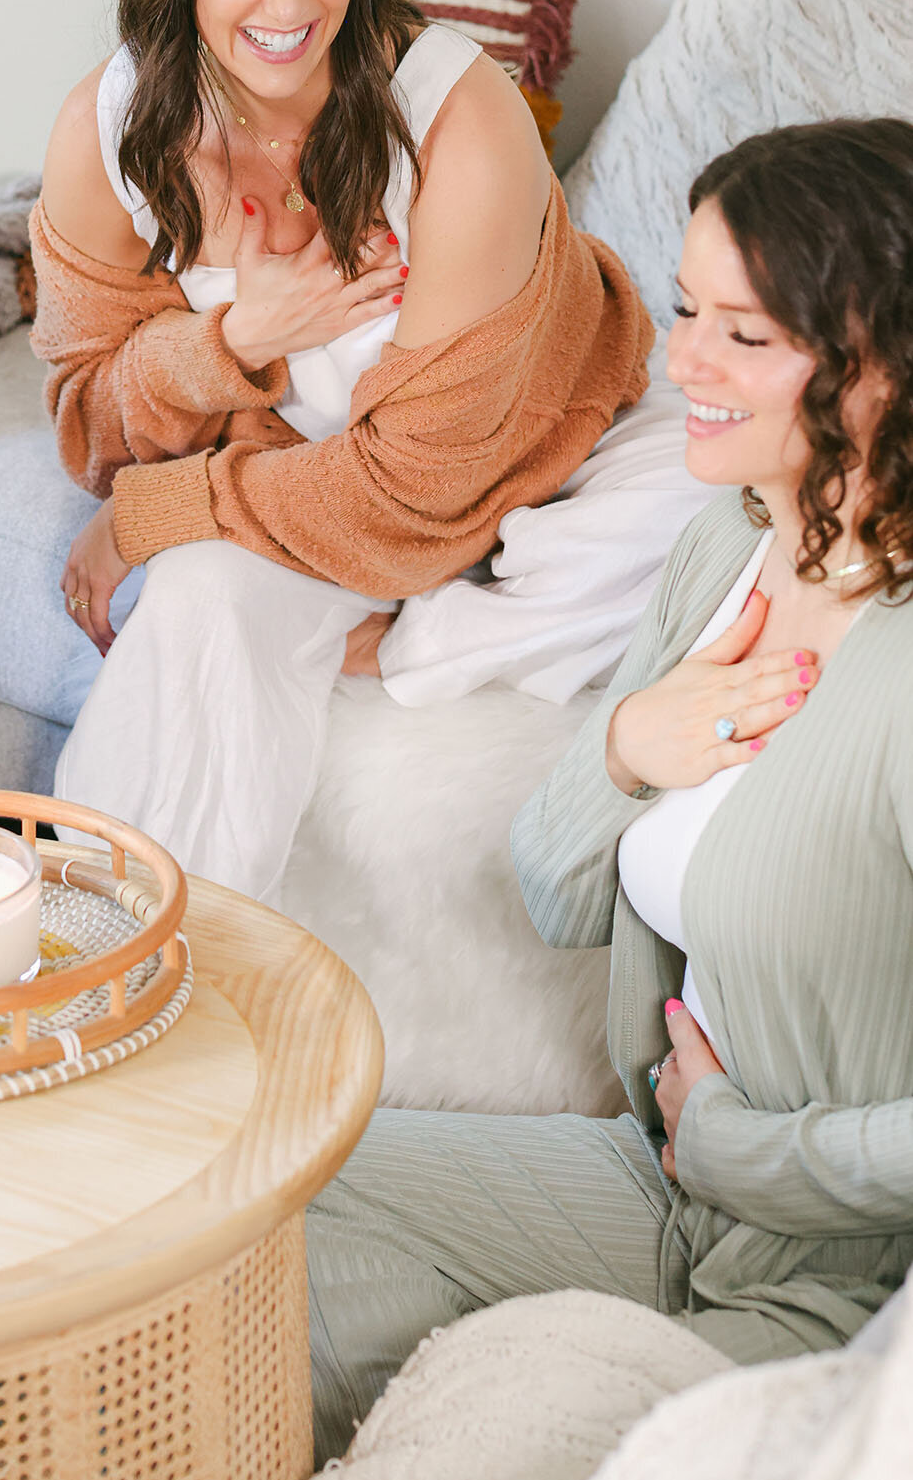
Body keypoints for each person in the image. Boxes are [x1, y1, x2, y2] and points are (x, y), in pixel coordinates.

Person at [307, 118, 913, 1462]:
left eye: (743, 336)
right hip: (658, 1190)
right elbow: (557, 889)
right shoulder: (726, 553)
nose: (680, 359)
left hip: (833, 1290)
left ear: (881, 372)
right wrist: (628, 745)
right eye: (689, 308)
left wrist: (748, 1151)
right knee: (279, 1209)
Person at [31, 0, 652, 897]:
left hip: (528, 456)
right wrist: (231, 340)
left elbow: (420, 486)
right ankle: (118, 964)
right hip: (325, 470)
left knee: (678, 549)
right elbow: (91, 429)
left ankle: (434, 622)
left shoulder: (461, 126)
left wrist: (161, 509)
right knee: (198, 596)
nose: (290, 2)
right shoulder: (109, 131)